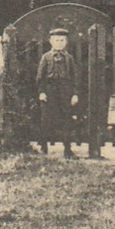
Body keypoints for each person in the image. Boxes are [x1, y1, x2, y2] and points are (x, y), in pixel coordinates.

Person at [35, 27, 80, 159]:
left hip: (65, 90)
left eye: (62, 40)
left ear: (66, 42)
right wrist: (42, 92)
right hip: (50, 90)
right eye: (56, 40)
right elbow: (40, 77)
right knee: (46, 120)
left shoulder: (69, 58)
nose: (59, 43)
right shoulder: (46, 57)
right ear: (50, 41)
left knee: (67, 120)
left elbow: (75, 77)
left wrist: (75, 94)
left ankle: (67, 150)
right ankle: (44, 147)